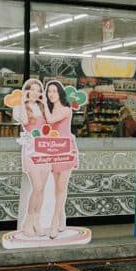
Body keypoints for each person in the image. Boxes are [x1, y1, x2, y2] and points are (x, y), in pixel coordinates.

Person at [12, 79, 51, 237]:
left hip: (45, 150)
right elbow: (25, 121)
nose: (35, 93)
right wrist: (23, 99)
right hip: (31, 151)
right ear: (26, 91)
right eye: (32, 90)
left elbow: (51, 121)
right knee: (37, 187)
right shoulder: (20, 107)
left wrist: (45, 102)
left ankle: (36, 221)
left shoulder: (42, 107)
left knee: (42, 190)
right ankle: (28, 221)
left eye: (38, 90)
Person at [44, 80, 79, 237]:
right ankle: (61, 221)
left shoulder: (65, 109)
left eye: (54, 91)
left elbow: (51, 120)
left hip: (65, 151)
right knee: (57, 188)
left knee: (61, 188)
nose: (51, 94)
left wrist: (43, 103)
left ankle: (54, 223)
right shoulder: (50, 110)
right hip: (53, 150)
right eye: (48, 91)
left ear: (60, 93)